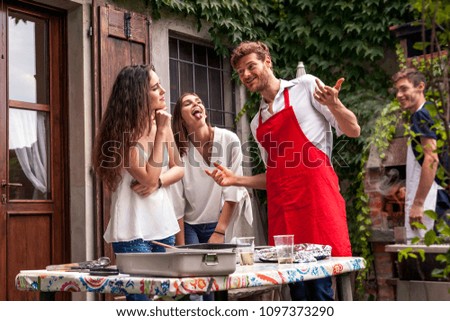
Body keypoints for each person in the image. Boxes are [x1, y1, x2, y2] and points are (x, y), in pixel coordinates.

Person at [206, 41, 360, 301]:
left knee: (320, 287)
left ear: (268, 62)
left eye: (250, 66)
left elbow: (353, 129)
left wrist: (335, 105)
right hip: (285, 212)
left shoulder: (306, 87)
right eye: (240, 72)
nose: (245, 75)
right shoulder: (258, 123)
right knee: (295, 289)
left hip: (316, 204)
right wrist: (236, 179)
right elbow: (274, 176)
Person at [92, 64, 183, 300]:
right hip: (133, 229)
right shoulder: (122, 134)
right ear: (138, 95)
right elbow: (147, 177)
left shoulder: (161, 125)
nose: (163, 91)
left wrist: (160, 182)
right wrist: (161, 132)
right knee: (140, 303)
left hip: (163, 224)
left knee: (164, 301)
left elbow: (178, 169)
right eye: (155, 87)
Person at [170, 92, 261, 247]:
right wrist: (181, 249)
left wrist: (220, 231)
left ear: (205, 113)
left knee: (222, 268)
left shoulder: (229, 140)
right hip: (189, 225)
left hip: (222, 220)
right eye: (188, 103)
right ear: (181, 120)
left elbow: (233, 189)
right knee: (194, 268)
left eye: (199, 101)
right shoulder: (178, 150)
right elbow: (177, 201)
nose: (196, 104)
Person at [392, 68, 450, 241]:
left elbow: (431, 158)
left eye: (404, 88)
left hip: (431, 198)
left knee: (427, 253)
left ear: (420, 87)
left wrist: (418, 203)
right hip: (439, 193)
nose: (399, 95)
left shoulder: (421, 115)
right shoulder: (432, 110)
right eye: (397, 90)